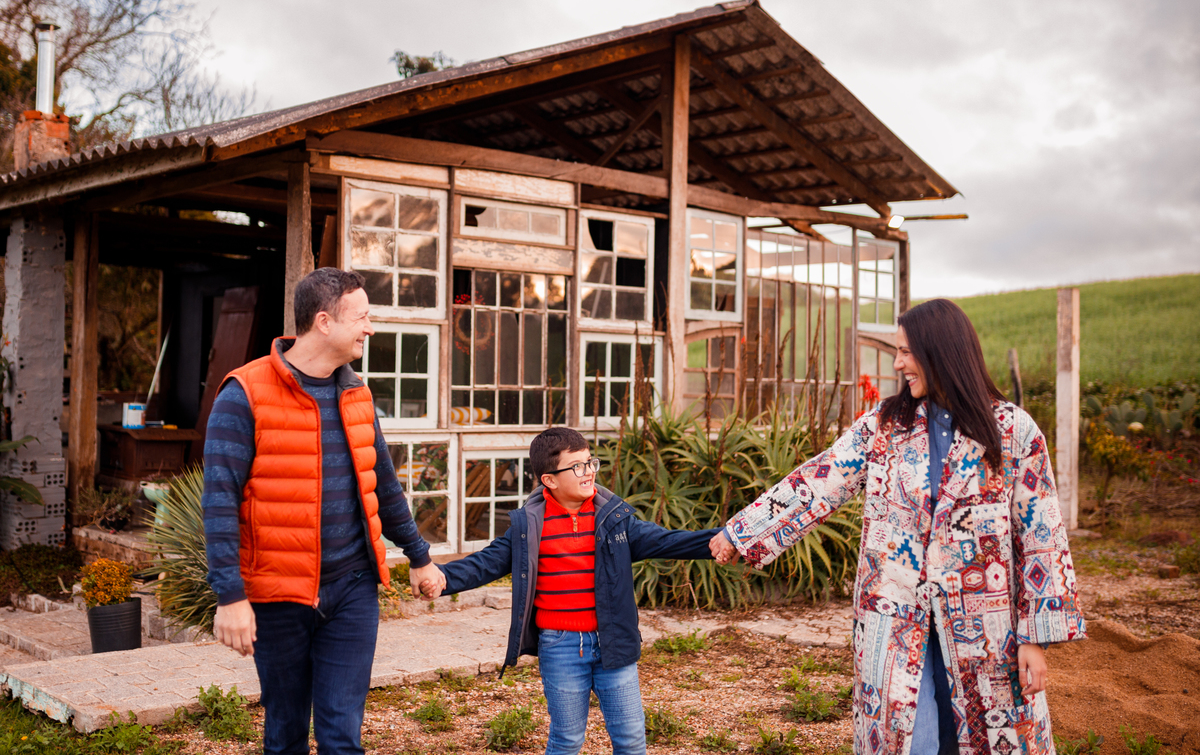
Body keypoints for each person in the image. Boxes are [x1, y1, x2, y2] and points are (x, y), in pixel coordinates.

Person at [710, 299, 1086, 755]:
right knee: (908, 742)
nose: (897, 363)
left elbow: (1042, 538)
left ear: (939, 352)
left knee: (983, 739)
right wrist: (742, 532)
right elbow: (820, 480)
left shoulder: (1013, 433)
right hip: (894, 620)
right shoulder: (884, 427)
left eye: (906, 351)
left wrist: (1035, 638)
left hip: (988, 633)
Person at [202, 267, 446, 755]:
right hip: (279, 594)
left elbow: (384, 484)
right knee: (286, 732)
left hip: (352, 590)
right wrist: (230, 595)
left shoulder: (357, 392)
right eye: (363, 316)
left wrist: (419, 557)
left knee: (341, 736)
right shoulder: (244, 394)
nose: (370, 328)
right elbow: (220, 502)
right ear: (324, 322)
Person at [418, 427, 716, 755]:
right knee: (567, 741)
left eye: (590, 463)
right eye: (578, 467)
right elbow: (487, 563)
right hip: (560, 648)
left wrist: (722, 539)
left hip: (613, 643)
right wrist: (443, 576)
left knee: (631, 741)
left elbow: (668, 540)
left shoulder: (614, 519)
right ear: (550, 480)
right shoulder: (529, 526)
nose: (589, 472)